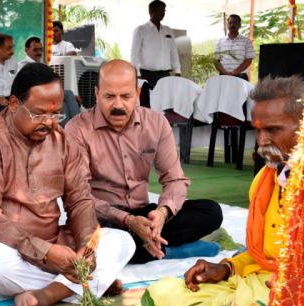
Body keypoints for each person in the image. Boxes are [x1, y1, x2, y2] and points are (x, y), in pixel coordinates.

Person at [0, 63, 135, 306]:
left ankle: (51, 293)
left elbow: (80, 201)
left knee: (122, 241)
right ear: (14, 104)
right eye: (39, 114)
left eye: (56, 114)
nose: (49, 122)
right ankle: (87, 283)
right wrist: (44, 253)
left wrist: (85, 246)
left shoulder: (62, 142)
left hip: (55, 243)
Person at [148, 76, 304, 306]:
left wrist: (293, 284)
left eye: (273, 130)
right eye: (258, 130)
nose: (261, 141)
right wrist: (226, 268)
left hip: (303, 290)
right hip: (257, 281)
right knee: (161, 292)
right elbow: (260, 255)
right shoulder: (266, 179)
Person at [65, 60, 222, 264]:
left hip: (143, 214)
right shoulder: (77, 129)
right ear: (96, 93)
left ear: (138, 93)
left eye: (126, 96)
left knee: (211, 211)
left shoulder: (156, 123)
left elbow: (175, 179)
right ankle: (169, 249)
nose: (118, 105)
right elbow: (79, 196)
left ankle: (148, 244)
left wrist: (162, 213)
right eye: (109, 96)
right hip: (103, 219)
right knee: (95, 242)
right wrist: (127, 220)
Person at [131, 0, 181, 107]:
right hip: (146, 74)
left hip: (165, 75)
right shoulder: (141, 30)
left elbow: (173, 52)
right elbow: (134, 54)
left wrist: (177, 70)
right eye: (160, 10)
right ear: (151, 11)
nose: (163, 13)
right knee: (147, 104)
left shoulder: (168, 30)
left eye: (164, 11)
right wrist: (137, 74)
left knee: (165, 104)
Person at [214, 14, 255, 81]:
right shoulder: (220, 41)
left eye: (235, 22)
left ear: (239, 25)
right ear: (227, 25)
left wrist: (234, 72)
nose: (232, 25)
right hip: (223, 77)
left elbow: (248, 60)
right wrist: (225, 73)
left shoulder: (246, 41)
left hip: (241, 77)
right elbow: (216, 60)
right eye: (230, 23)